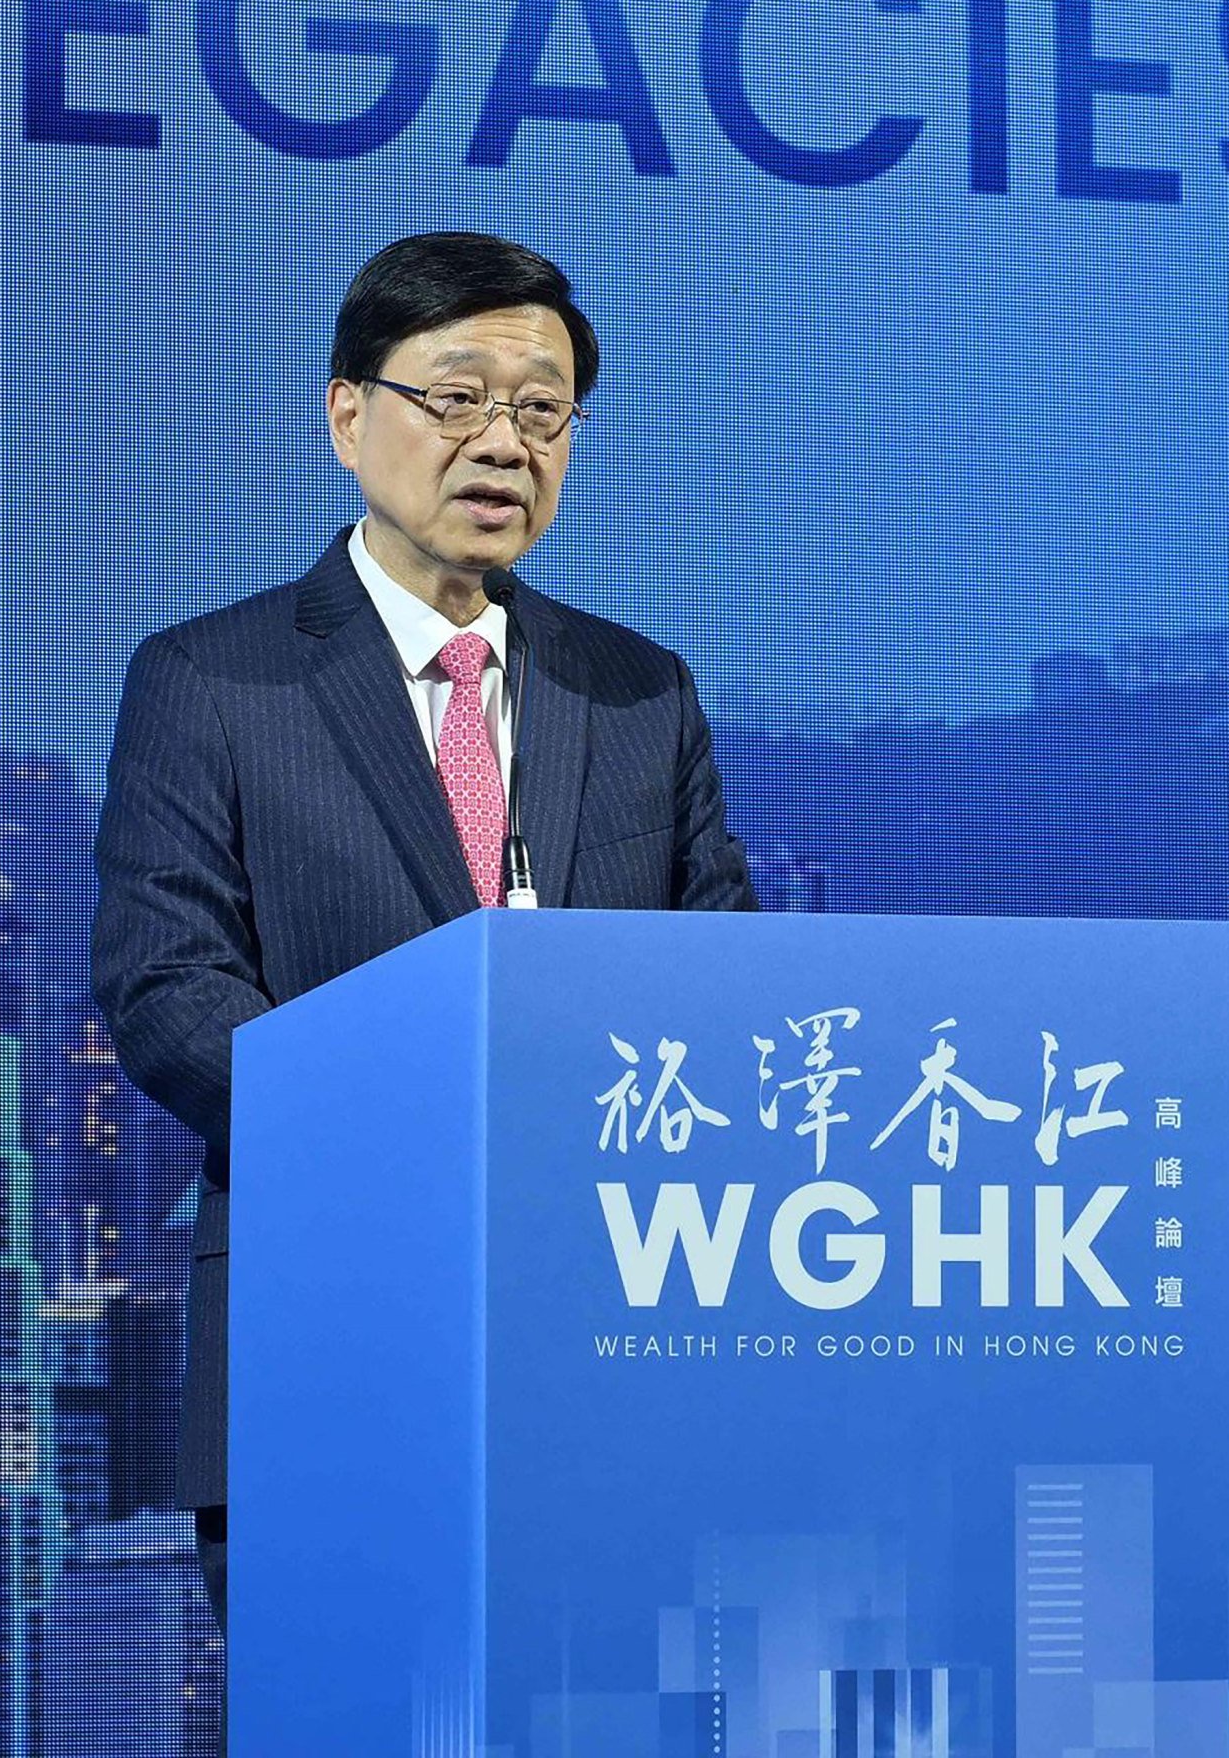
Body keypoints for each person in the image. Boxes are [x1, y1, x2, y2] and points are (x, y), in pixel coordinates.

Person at [89, 230, 757, 1613]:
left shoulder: (640, 694)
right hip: (329, 1339)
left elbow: (724, 984)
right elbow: (168, 992)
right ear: (349, 413)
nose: (503, 440)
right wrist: (430, 1120)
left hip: (609, 1358)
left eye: (542, 407)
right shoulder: (214, 679)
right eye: (457, 395)